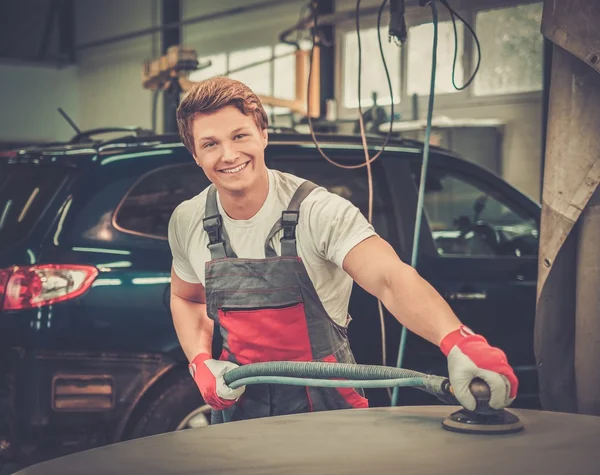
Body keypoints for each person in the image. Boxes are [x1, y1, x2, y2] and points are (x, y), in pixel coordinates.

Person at [168, 76, 518, 422]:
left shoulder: (319, 211)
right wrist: (199, 360)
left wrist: (457, 340)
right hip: (241, 404)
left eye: (240, 135)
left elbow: (389, 278)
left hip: (326, 403)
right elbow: (187, 298)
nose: (229, 154)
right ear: (195, 154)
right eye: (210, 144)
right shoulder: (188, 220)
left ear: (263, 135)